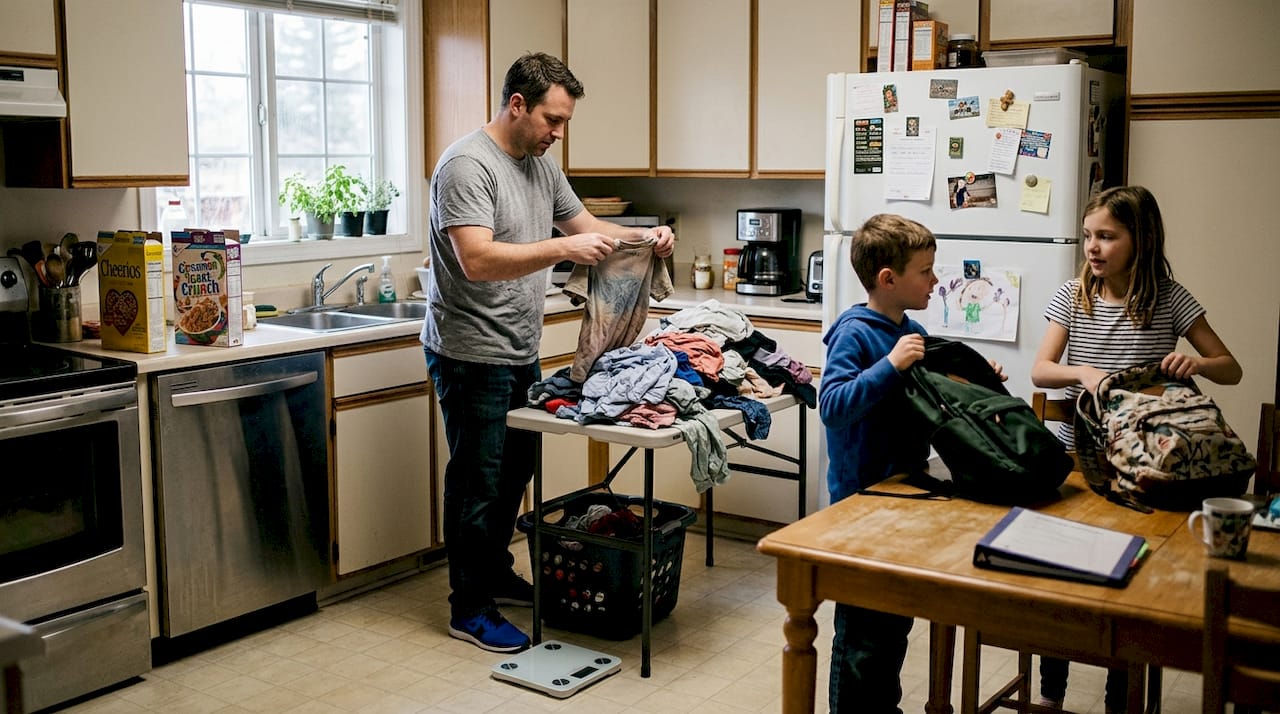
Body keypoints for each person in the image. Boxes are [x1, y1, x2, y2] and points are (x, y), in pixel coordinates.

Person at [421, 52, 675, 654]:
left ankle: (494, 574)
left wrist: (646, 237)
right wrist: (565, 251)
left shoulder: (540, 164)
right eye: (552, 120)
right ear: (517, 105)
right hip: (469, 350)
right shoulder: (466, 166)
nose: (558, 133)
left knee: (514, 473)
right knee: (477, 483)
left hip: (518, 346)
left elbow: (585, 225)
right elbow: (476, 259)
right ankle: (468, 607)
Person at [1029, 185, 1241, 712]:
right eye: (1087, 236)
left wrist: (1196, 364)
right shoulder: (1072, 295)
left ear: (1141, 240)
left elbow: (1231, 369)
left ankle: (1118, 698)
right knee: (1063, 583)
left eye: (1107, 236)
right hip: (1079, 460)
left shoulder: (1169, 297)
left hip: (1142, 466)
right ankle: (1051, 695)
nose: (1093, 248)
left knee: (1129, 585)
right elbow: (1040, 370)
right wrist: (1081, 371)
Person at [818, 214, 936, 713]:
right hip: (860, 506)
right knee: (861, 633)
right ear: (888, 279)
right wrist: (890, 366)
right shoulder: (856, 335)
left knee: (893, 624)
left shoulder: (912, 331)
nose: (935, 281)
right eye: (925, 272)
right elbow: (833, 405)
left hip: (904, 500)